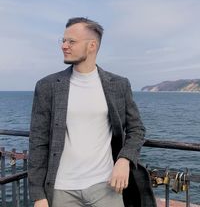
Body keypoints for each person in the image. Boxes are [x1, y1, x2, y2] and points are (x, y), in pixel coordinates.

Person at [28, 17, 156, 207]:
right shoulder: (47, 86)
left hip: (106, 186)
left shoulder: (119, 84)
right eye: (63, 40)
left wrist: (124, 159)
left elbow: (136, 129)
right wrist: (38, 195)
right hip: (62, 189)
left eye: (71, 41)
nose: (64, 46)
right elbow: (38, 141)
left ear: (92, 46)